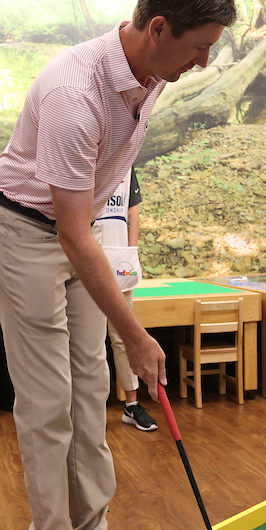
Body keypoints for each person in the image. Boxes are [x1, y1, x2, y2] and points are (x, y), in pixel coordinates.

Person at [0, 0, 237, 530]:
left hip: (77, 234)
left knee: (90, 391)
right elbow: (67, 231)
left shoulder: (151, 72)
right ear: (158, 28)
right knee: (48, 404)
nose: (204, 64)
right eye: (199, 48)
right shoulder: (74, 91)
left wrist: (127, 331)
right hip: (29, 235)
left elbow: (85, 222)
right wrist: (138, 335)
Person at [100, 167, 157, 431]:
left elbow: (132, 210)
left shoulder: (126, 163)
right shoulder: (84, 154)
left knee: (122, 335)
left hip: (120, 262)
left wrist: (130, 252)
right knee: (86, 340)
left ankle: (131, 404)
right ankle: (88, 406)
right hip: (89, 261)